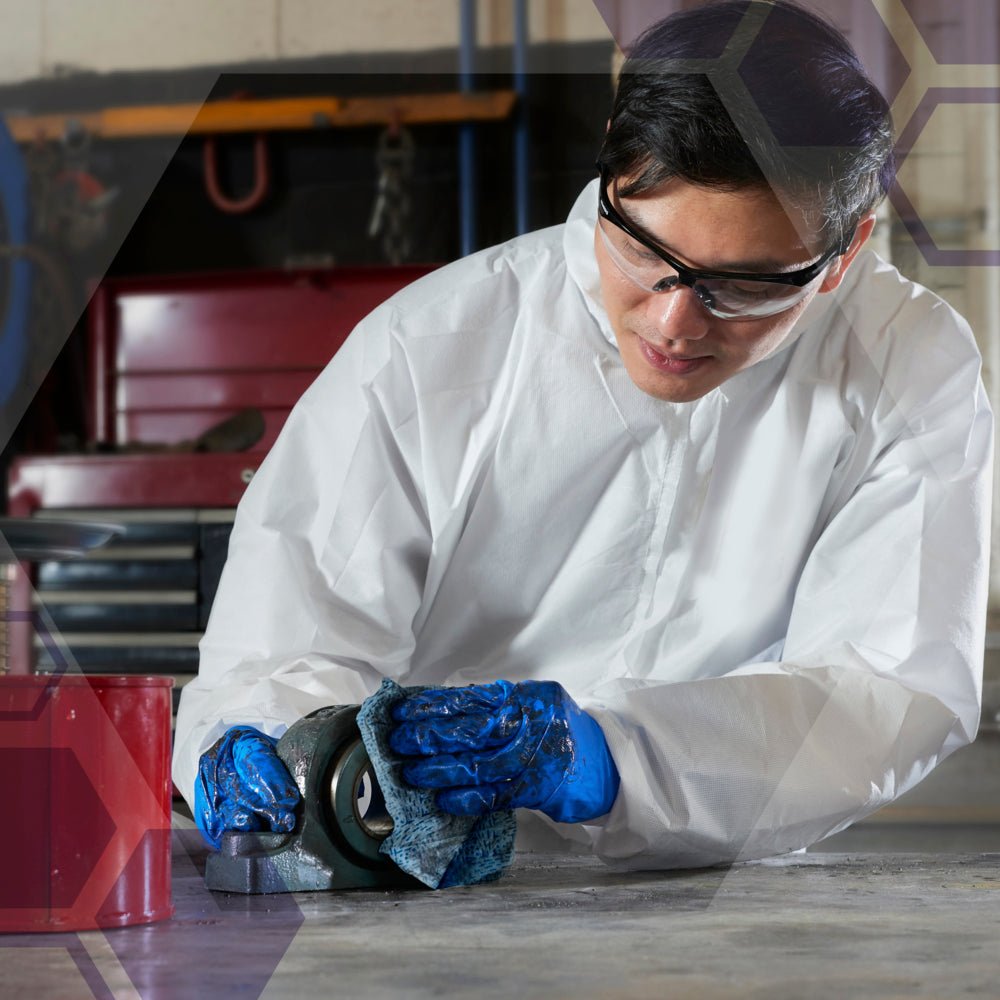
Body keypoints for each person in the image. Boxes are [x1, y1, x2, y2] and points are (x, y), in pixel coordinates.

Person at [174, 0, 993, 869]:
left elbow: (888, 685)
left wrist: (613, 759)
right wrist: (270, 742)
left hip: (721, 899)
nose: (675, 322)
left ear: (844, 252)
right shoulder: (429, 350)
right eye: (643, 248)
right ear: (612, 161)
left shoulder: (906, 361)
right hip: (425, 886)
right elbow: (285, 642)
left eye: (746, 286)